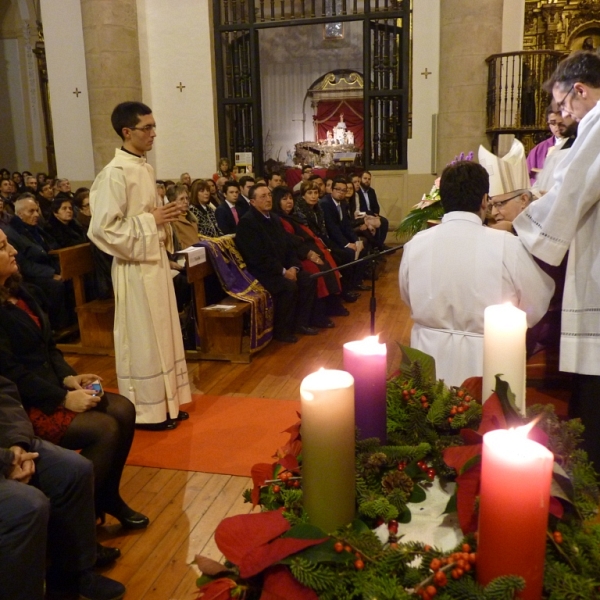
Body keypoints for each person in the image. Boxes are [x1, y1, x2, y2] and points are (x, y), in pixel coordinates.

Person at [513, 50, 600, 471]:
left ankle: (588, 472)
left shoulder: (598, 123)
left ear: (580, 90)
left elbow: (570, 193)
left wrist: (519, 225)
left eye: (564, 105)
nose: (565, 115)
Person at [400, 160, 554, 387]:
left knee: (426, 414)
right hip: (489, 358)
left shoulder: (416, 244)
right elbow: (537, 302)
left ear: (442, 199)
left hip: (426, 356)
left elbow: (407, 295)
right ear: (484, 200)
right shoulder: (507, 245)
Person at [87, 101, 192, 431]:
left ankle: (168, 403)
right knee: (145, 341)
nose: (153, 133)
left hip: (154, 264)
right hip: (134, 271)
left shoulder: (144, 168)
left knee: (164, 334)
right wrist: (151, 221)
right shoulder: (113, 174)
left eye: (153, 126)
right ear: (126, 131)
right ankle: (147, 411)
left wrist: (164, 219)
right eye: (147, 128)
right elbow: (102, 229)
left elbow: (149, 217)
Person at [0, 375, 127, 600]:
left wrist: (18, 443)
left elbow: (5, 396)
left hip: (7, 443)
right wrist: (5, 460)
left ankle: (72, 575)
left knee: (75, 469)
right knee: (28, 505)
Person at [235, 183, 318, 342]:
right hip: (262, 273)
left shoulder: (274, 218)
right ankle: (281, 331)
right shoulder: (248, 223)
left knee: (307, 279)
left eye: (269, 195)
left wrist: (293, 267)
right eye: (263, 196)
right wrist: (283, 271)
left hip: (282, 268)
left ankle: (300, 324)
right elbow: (258, 257)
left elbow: (287, 246)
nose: (268, 199)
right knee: (288, 286)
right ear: (252, 202)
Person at [272, 186, 345, 326]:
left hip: (308, 249)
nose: (289, 202)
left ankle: (331, 307)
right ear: (277, 201)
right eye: (284, 199)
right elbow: (290, 241)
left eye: (290, 198)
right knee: (316, 273)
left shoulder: (292, 216)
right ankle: (317, 316)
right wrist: (307, 252)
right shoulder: (278, 219)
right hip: (298, 255)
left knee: (329, 264)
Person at [526, 107, 573, 183]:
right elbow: (527, 177)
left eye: (561, 123)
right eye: (553, 123)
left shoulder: (578, 143)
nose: (557, 127)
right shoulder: (538, 150)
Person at [358, 171, 390, 249]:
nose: (367, 181)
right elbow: (360, 209)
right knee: (373, 224)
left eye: (369, 179)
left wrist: (376, 213)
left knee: (384, 221)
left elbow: (376, 205)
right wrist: (370, 214)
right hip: (363, 216)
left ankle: (380, 245)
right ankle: (377, 246)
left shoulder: (371, 191)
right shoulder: (357, 192)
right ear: (360, 179)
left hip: (372, 215)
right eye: (365, 178)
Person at [167, 184, 199, 249]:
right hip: (187, 255)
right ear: (173, 202)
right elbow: (179, 245)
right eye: (181, 199)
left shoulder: (191, 218)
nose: (186, 202)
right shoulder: (172, 220)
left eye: (187, 198)